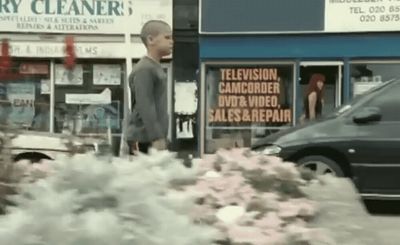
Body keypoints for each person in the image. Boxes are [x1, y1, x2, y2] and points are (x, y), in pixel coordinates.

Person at [126, 20, 173, 154]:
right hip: (143, 139)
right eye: (167, 37)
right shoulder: (145, 69)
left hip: (151, 138)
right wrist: (156, 137)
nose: (172, 42)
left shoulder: (154, 67)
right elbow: (145, 105)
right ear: (151, 39)